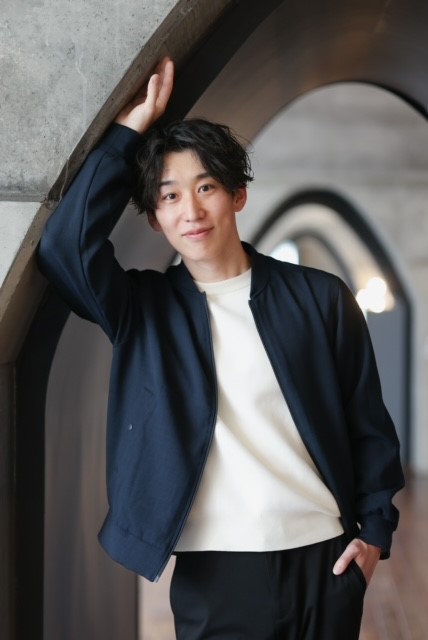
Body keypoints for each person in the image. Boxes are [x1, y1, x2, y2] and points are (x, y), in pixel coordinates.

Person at [38, 57, 405, 639]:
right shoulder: (143, 309)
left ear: (238, 195)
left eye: (205, 187)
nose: (191, 211)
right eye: (169, 196)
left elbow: (368, 425)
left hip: (325, 561)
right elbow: (66, 248)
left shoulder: (320, 297)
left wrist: (375, 537)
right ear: (155, 219)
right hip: (215, 572)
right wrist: (128, 133)